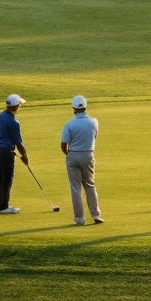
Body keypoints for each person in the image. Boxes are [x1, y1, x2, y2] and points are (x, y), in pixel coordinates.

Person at [61, 95, 102, 225]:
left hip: (73, 155)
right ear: (85, 106)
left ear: (73, 108)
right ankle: (96, 215)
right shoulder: (93, 122)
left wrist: (69, 154)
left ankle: (79, 218)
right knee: (90, 185)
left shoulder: (69, 124)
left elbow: (63, 144)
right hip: (88, 154)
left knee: (75, 188)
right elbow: (94, 136)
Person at [0, 94, 29, 214]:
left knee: (1, 178)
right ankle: (4, 207)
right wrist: (24, 156)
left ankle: (0, 204)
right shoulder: (14, 122)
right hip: (5, 152)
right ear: (16, 106)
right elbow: (18, 142)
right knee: (7, 178)